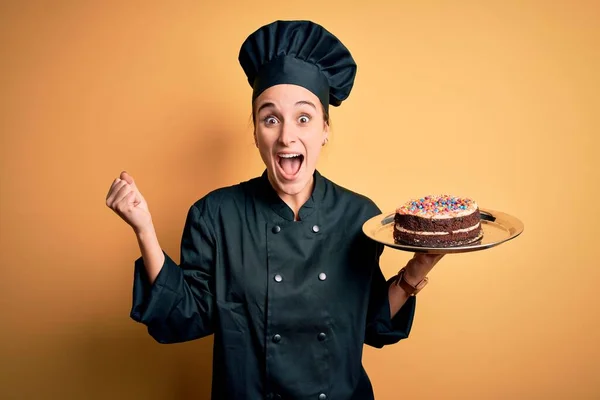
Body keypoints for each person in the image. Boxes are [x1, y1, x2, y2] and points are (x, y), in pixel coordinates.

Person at [106, 20, 444, 400]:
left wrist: (420, 266)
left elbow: (371, 324)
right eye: (270, 119)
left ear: (325, 130)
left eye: (304, 118)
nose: (287, 136)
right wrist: (144, 229)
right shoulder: (215, 215)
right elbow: (183, 317)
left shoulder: (358, 216)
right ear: (255, 132)